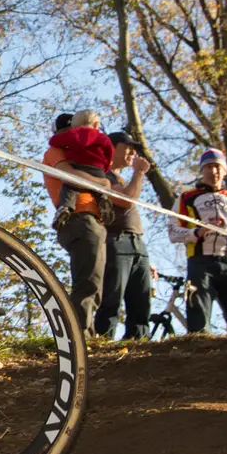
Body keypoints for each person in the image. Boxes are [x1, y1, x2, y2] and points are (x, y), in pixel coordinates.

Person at [167, 148, 227, 334]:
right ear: (202, 170)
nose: (213, 171)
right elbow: (173, 232)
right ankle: (199, 356)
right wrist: (198, 232)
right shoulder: (187, 198)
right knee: (198, 322)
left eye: (217, 167)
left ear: (225, 171)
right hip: (200, 261)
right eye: (208, 167)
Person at [43, 114, 112, 336]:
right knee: (87, 282)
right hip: (78, 217)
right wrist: (102, 182)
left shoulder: (79, 153)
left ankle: (87, 333)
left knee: (95, 281)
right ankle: (78, 335)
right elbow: (70, 176)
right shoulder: (55, 152)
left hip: (93, 219)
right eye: (68, 131)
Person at [94, 133, 153, 339]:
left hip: (137, 243)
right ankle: (103, 343)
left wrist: (144, 254)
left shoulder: (120, 178)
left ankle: (139, 345)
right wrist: (138, 173)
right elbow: (125, 200)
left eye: (134, 148)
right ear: (112, 147)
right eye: (127, 147)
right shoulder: (102, 175)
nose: (132, 152)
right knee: (111, 299)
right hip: (116, 241)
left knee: (141, 301)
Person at [49, 109, 115, 231]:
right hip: (98, 169)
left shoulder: (74, 134)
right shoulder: (103, 138)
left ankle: (65, 207)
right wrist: (105, 169)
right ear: (96, 125)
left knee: (69, 187)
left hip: (79, 166)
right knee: (99, 190)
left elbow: (54, 141)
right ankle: (104, 199)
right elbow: (110, 152)